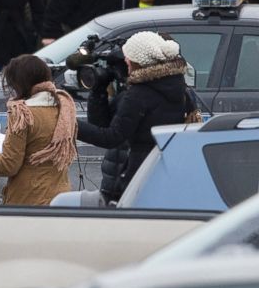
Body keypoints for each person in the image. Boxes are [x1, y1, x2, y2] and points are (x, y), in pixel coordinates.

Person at [77, 32, 196, 201]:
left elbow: (112, 137)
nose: (125, 61)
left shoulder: (139, 95)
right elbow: (103, 123)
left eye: (128, 57)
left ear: (138, 61)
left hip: (138, 174)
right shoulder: (177, 86)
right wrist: (99, 90)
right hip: (163, 171)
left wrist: (71, 125)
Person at [0, 54, 77, 206]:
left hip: (28, 200)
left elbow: (8, 166)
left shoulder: (23, 113)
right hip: (60, 197)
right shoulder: (64, 107)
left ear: (19, 83)